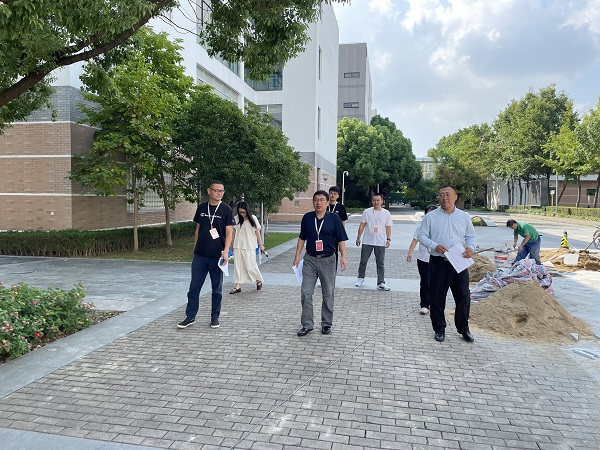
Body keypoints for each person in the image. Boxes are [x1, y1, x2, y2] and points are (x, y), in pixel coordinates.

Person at [417, 185, 477, 343]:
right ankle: (439, 329)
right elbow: (421, 236)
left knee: (463, 297)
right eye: (441, 195)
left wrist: (471, 248)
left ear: (455, 197)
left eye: (448, 195)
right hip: (438, 262)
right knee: (437, 297)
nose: (445, 198)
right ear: (438, 198)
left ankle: (463, 329)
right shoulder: (430, 217)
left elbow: (471, 236)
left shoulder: (464, 217)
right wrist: (434, 245)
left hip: (459, 261)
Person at [178, 180, 234, 329]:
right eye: (216, 190)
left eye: (222, 191)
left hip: (217, 256)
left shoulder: (226, 209)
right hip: (200, 256)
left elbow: (229, 232)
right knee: (194, 288)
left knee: (217, 289)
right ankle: (190, 317)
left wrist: (226, 251)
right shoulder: (202, 208)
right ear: (209, 191)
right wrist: (195, 248)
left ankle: (215, 317)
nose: (219, 193)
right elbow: (198, 229)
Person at [293, 190, 348, 336]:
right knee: (306, 292)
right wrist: (297, 256)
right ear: (313, 202)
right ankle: (307, 324)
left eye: (322, 200)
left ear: (327, 202)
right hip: (310, 260)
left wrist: (343, 257)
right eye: (316, 200)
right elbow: (302, 238)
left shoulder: (334, 218)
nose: (319, 203)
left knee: (328, 293)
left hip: (328, 260)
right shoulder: (307, 218)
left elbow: (341, 239)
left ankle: (326, 324)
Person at [355, 192, 393, 290]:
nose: (376, 202)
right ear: (372, 201)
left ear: (382, 201)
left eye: (378, 200)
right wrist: (358, 237)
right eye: (374, 200)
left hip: (380, 241)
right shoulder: (367, 212)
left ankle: (381, 282)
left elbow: (388, 227)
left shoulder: (386, 213)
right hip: (367, 241)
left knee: (380, 262)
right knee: (363, 261)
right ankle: (360, 278)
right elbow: (362, 225)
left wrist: (388, 239)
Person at [406, 204, 437, 315]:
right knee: (425, 282)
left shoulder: (441, 227)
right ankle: (424, 304)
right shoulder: (421, 227)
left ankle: (435, 303)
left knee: (437, 283)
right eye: (428, 214)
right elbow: (415, 240)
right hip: (423, 259)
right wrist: (410, 253)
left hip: (437, 259)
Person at [230, 201, 265, 294]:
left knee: (250, 266)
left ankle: (258, 280)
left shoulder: (253, 219)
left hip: (249, 246)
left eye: (244, 212)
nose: (242, 214)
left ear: (247, 211)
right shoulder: (236, 218)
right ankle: (237, 286)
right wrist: (232, 242)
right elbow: (234, 231)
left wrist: (261, 244)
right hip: (238, 245)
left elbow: (257, 232)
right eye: (240, 212)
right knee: (238, 266)